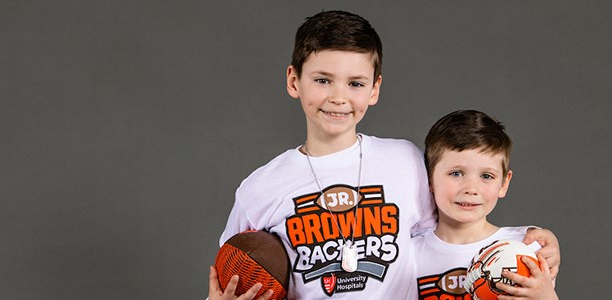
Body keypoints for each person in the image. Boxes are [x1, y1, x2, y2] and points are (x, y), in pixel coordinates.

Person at [208, 10, 560, 300]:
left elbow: (460, 221)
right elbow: (230, 273)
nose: (338, 97)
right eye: (322, 80)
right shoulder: (261, 187)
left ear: (374, 89)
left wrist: (530, 239)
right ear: (293, 81)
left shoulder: (403, 161)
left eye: (356, 83)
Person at [412, 110, 558, 300]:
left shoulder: (526, 247)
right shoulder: (409, 252)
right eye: (456, 173)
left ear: (504, 183)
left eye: (486, 176)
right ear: (429, 178)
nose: (471, 189)